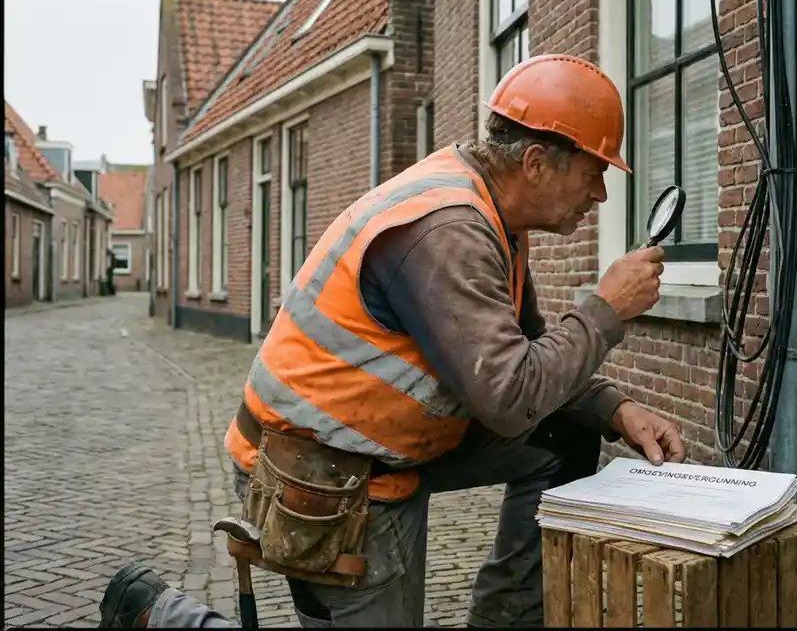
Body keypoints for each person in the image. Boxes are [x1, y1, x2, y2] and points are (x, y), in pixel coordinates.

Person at [99, 54, 686, 629]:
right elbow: (510, 398)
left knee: (568, 434)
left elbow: (528, 346)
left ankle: (505, 617)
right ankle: (164, 615)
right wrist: (605, 310)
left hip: (391, 448)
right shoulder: (449, 231)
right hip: (325, 476)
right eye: (594, 175)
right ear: (535, 162)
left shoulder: (492, 214)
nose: (600, 196)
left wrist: (614, 407)